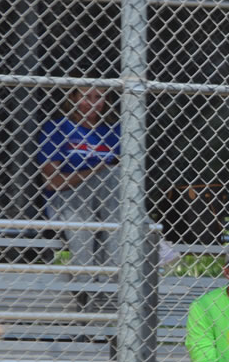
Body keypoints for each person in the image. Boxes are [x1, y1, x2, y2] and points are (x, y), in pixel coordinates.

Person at [37, 86, 177, 276]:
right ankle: (146, 240)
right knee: (110, 179)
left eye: (99, 97)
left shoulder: (114, 131)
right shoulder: (58, 128)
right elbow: (53, 183)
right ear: (73, 98)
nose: (93, 103)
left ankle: (111, 272)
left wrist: (105, 171)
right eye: (86, 96)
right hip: (67, 198)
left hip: (109, 200)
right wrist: (96, 170)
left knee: (115, 180)